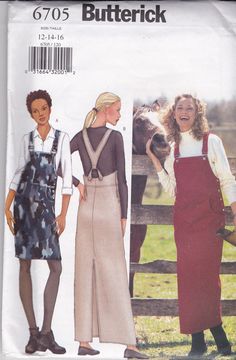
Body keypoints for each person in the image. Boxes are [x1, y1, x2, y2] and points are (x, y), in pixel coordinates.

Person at [146, 94, 236, 357]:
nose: (184, 112)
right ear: (173, 114)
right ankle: (202, 342)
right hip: (184, 223)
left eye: (190, 108)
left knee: (207, 280)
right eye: (180, 108)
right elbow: (173, 188)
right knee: (188, 281)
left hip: (209, 221)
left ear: (198, 113)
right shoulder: (173, 147)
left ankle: (217, 338)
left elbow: (227, 180)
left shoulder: (212, 141)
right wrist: (155, 161)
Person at [70, 92, 148, 359]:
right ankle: (130, 345)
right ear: (104, 110)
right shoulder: (115, 138)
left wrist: (77, 183)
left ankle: (84, 341)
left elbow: (55, 159)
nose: (119, 114)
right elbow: (123, 181)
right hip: (108, 204)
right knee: (114, 272)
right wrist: (123, 214)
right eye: (117, 110)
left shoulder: (79, 137)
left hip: (85, 206)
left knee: (84, 270)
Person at [5, 90, 72, 354]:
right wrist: (7, 205)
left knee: (55, 267)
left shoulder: (61, 139)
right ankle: (33, 334)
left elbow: (67, 178)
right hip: (23, 208)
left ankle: (47, 332)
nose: (40, 113)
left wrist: (63, 213)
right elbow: (19, 172)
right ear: (31, 114)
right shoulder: (27, 139)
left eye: (44, 108)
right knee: (24, 266)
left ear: (50, 108)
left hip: (46, 211)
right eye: (35, 110)